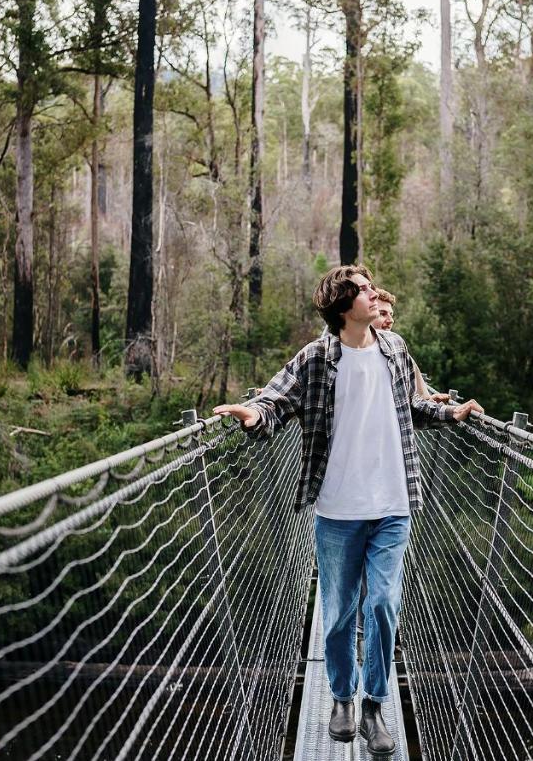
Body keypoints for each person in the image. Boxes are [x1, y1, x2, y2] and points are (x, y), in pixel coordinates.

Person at [214, 265, 483, 757]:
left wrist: (451, 412)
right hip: (337, 508)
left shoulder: (394, 350)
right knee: (338, 614)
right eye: (363, 289)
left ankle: (374, 706)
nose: (372, 294)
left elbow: (414, 409)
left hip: (393, 503)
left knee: (382, 603)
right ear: (343, 305)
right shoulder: (316, 358)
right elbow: (275, 402)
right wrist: (252, 414)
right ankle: (342, 697)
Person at [371, 288, 450, 404]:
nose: (391, 320)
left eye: (391, 314)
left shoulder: (400, 352)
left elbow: (419, 401)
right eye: (382, 314)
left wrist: (430, 403)